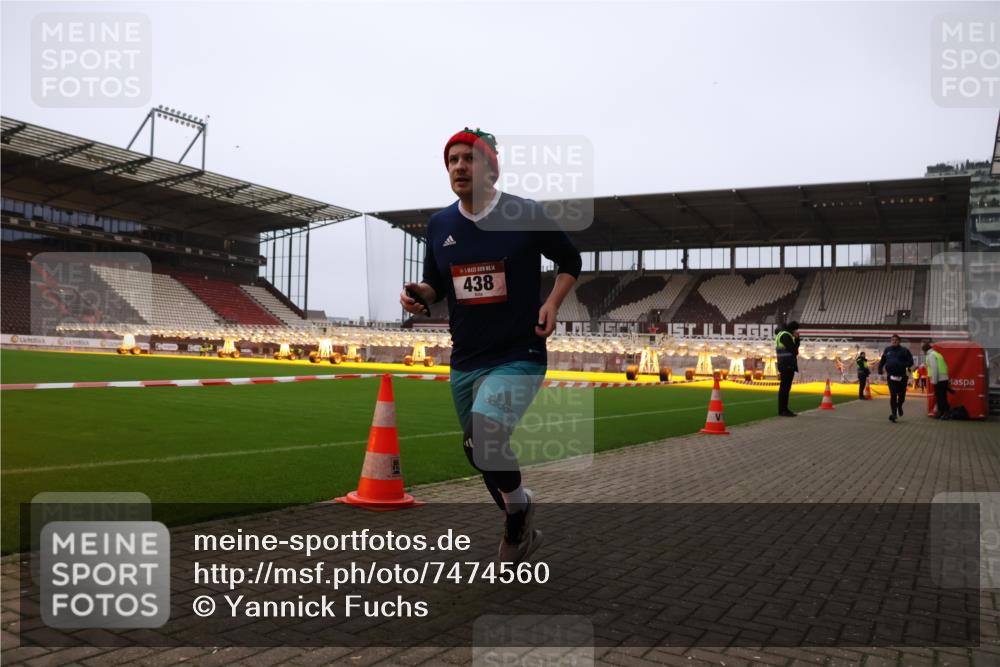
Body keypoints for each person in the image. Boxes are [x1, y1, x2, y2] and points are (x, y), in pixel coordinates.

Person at [400, 127, 581, 563]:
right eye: (452, 160)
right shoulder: (441, 224)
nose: (459, 166)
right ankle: (519, 514)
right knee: (479, 450)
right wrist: (420, 295)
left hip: (520, 352)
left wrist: (553, 302)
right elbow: (437, 284)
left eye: (469, 158)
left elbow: (570, 260)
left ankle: (518, 511)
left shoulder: (525, 212)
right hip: (466, 358)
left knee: (484, 434)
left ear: (491, 167)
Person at [878, 334, 914, 422]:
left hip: (902, 376)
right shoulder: (887, 350)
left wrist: (902, 365)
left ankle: (900, 405)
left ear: (899, 341)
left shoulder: (904, 350)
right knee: (893, 395)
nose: (894, 341)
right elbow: (883, 360)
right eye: (892, 340)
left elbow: (911, 362)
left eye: (896, 340)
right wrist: (880, 368)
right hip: (891, 376)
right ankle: (894, 414)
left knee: (902, 396)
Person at [774, 321, 800, 416]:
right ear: (793, 329)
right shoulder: (786, 335)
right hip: (787, 364)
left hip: (784, 364)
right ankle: (783, 410)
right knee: (785, 388)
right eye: (796, 330)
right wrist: (797, 339)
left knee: (784, 388)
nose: (796, 332)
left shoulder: (781, 334)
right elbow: (794, 350)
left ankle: (783, 409)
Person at [923, 340, 951, 419]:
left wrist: (934, 381)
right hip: (944, 378)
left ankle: (944, 413)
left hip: (938, 379)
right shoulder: (938, 354)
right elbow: (945, 366)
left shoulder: (931, 355)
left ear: (925, 350)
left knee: (940, 397)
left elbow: (934, 367)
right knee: (943, 397)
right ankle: (943, 413)